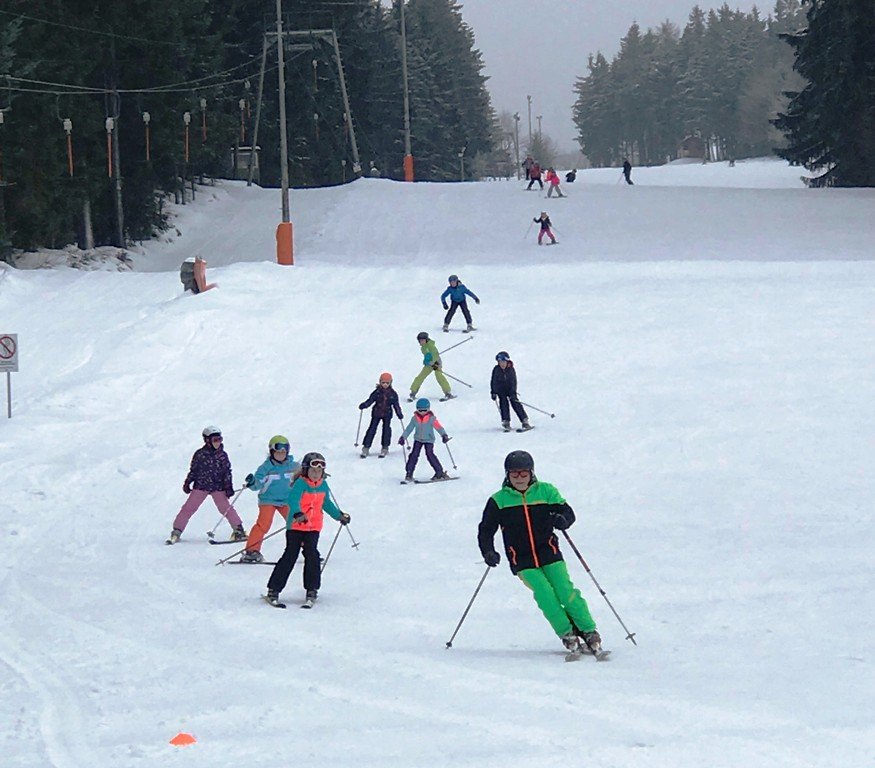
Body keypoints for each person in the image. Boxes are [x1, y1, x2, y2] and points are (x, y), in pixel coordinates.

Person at [477, 451, 603, 658]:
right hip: (522, 558)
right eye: (514, 474)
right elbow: (486, 529)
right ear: (507, 475)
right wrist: (488, 551)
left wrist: (563, 520)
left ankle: (588, 630)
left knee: (565, 590)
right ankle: (567, 632)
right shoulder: (498, 501)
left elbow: (567, 512)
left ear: (531, 473)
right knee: (545, 594)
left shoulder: (546, 491)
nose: (519, 478)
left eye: (523, 473)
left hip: (549, 551)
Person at [265, 452, 349, 607]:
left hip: (313, 527)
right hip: (296, 526)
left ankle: (312, 589)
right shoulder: (301, 484)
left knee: (312, 555)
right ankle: (274, 589)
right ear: (305, 470)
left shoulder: (323, 485)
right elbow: (293, 499)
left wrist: (339, 516)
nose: (316, 474)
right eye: (313, 471)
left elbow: (326, 504)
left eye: (319, 471)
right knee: (291, 555)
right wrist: (297, 512)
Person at [167, 426, 246, 544]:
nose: (218, 443)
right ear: (207, 441)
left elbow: (227, 472)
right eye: (215, 440)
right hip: (201, 486)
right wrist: (188, 482)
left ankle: (238, 530)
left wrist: (228, 487)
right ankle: (177, 531)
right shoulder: (200, 454)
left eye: (220, 439)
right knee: (188, 508)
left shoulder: (223, 455)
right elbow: (193, 470)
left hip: (217, 487)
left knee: (226, 508)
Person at [239, 435, 300, 563]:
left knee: (297, 523)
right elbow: (258, 484)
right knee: (263, 524)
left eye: (284, 452)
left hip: (287, 501)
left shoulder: (294, 466)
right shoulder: (266, 468)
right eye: (278, 452)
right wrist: (252, 482)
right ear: (272, 452)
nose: (281, 455)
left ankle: (308, 550)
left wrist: (316, 475)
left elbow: (304, 478)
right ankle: (251, 551)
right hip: (268, 500)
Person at [399, 398, 451, 482]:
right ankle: (409, 473)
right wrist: (403, 437)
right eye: (420, 410)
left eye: (424, 410)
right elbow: (409, 429)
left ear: (428, 409)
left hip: (429, 440)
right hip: (418, 439)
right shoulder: (415, 418)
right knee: (414, 455)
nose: (422, 412)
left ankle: (439, 472)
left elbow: (439, 427)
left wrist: (444, 435)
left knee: (430, 455)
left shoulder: (431, 418)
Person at [358, 372, 404, 458]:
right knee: (372, 429)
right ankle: (366, 447)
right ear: (380, 382)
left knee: (386, 430)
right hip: (376, 413)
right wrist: (365, 405)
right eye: (383, 383)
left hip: (387, 414)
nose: (385, 385)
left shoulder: (393, 394)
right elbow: (371, 400)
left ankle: (385, 447)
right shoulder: (377, 392)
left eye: (387, 383)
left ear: (391, 383)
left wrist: (399, 413)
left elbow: (396, 405)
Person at [490, 351, 531, 432]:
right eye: (500, 362)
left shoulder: (510, 369)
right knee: (503, 403)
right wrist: (493, 392)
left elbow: (513, 381)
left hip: (510, 389)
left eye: (503, 362)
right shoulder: (496, 369)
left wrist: (513, 392)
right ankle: (506, 421)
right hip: (501, 390)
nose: (502, 364)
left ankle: (524, 420)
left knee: (515, 403)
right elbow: (493, 381)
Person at [408, 331, 454, 402]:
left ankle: (447, 393)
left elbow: (435, 356)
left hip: (436, 363)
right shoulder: (423, 348)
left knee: (439, 376)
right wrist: (427, 361)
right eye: (420, 341)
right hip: (429, 364)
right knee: (421, 376)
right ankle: (413, 393)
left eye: (423, 340)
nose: (422, 342)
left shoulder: (431, 346)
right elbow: (427, 356)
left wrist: (435, 364)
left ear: (426, 339)